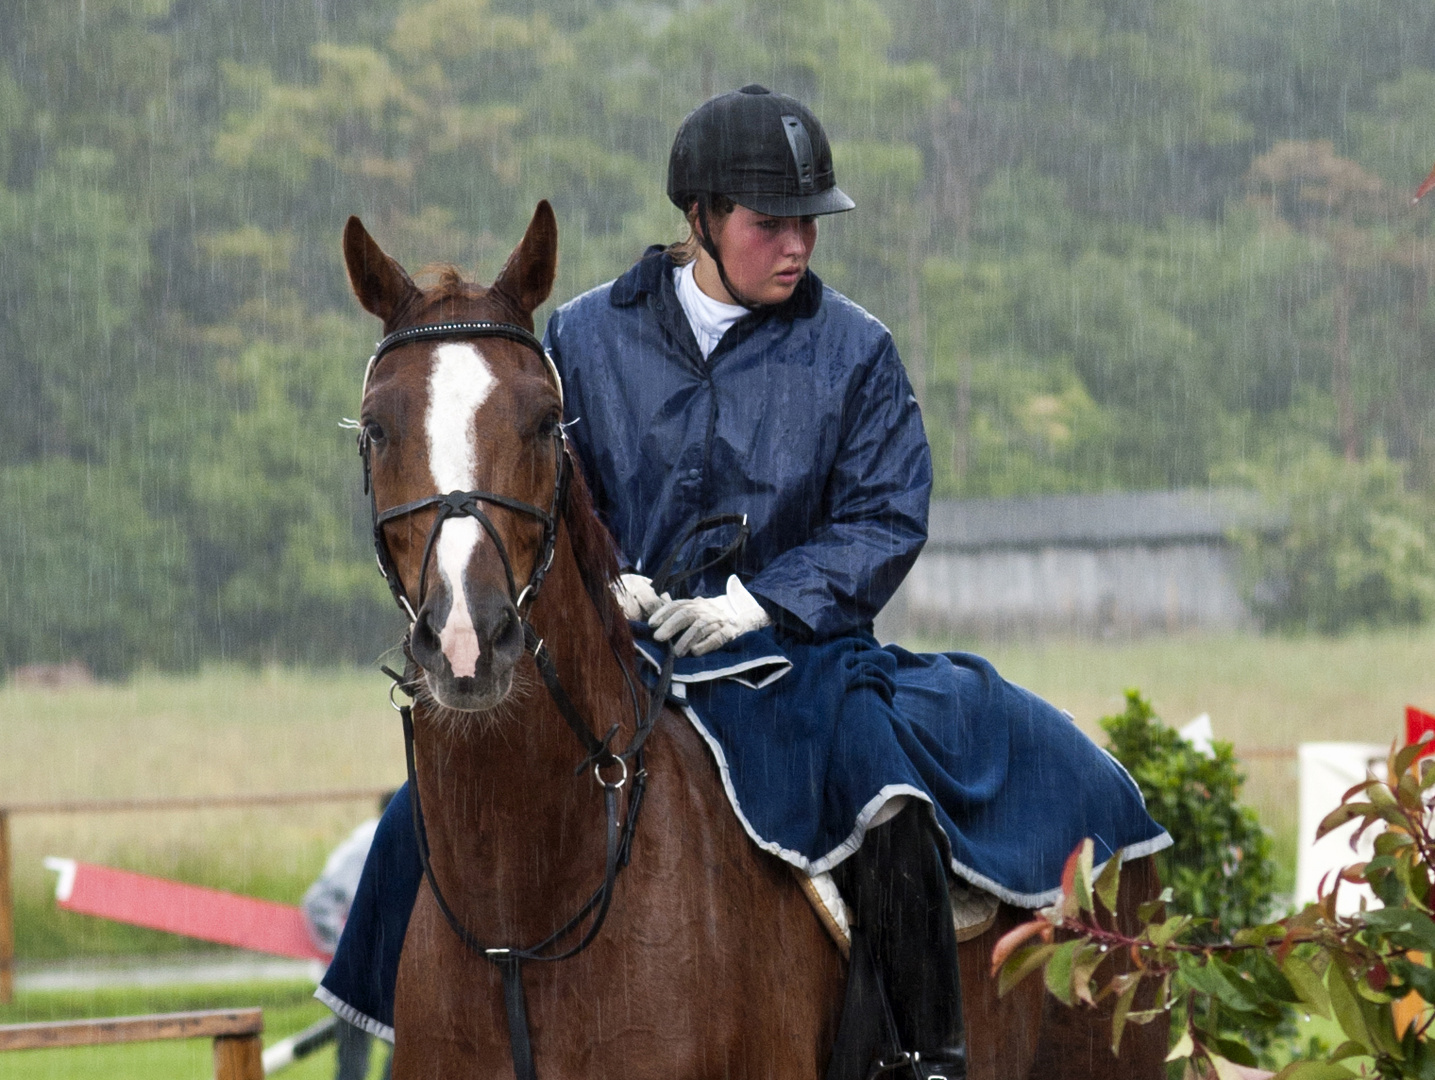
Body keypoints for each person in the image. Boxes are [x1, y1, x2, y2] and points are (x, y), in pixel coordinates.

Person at [318, 86, 1170, 1080]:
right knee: (425, 808)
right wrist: (615, 584)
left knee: (886, 787)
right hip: (622, 653)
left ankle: (918, 1052)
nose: (797, 244)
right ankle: (406, 1025)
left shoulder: (855, 351)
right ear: (702, 220)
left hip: (796, 661)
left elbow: (885, 517)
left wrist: (757, 603)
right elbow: (536, 489)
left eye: (808, 222)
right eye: (771, 223)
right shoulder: (584, 340)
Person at [304, 794, 396, 1080]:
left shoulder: (374, 838)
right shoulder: (373, 843)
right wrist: (353, 951)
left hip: (361, 969)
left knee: (354, 1063)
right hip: (359, 971)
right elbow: (318, 902)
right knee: (404, 1046)